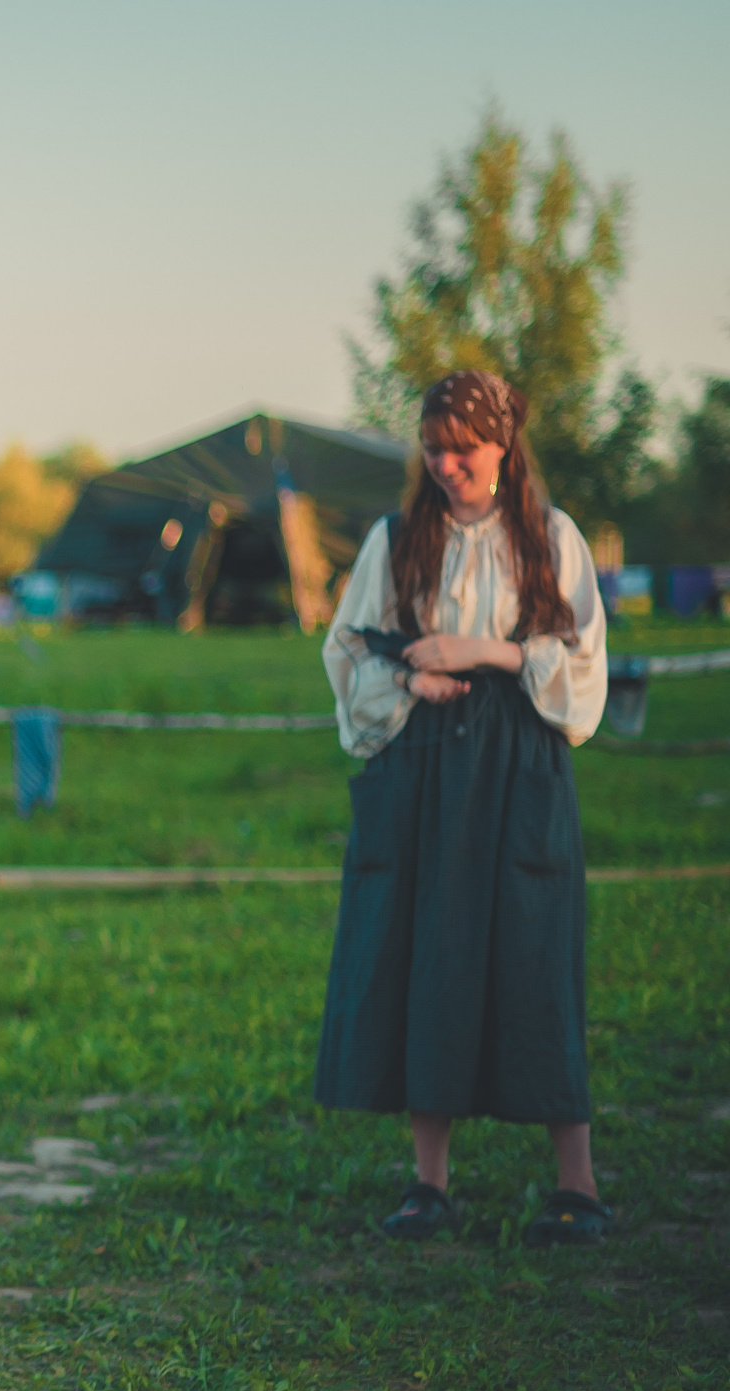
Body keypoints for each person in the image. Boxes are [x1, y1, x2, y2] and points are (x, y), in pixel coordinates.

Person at [316, 369, 610, 1247]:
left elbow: (584, 663)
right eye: (433, 448)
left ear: (503, 444)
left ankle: (577, 1183)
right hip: (426, 762)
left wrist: (482, 649)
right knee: (430, 952)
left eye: (464, 448)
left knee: (536, 947)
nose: (446, 464)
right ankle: (428, 1182)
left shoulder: (548, 536)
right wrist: (410, 671)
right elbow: (347, 647)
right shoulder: (399, 537)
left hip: (521, 764)